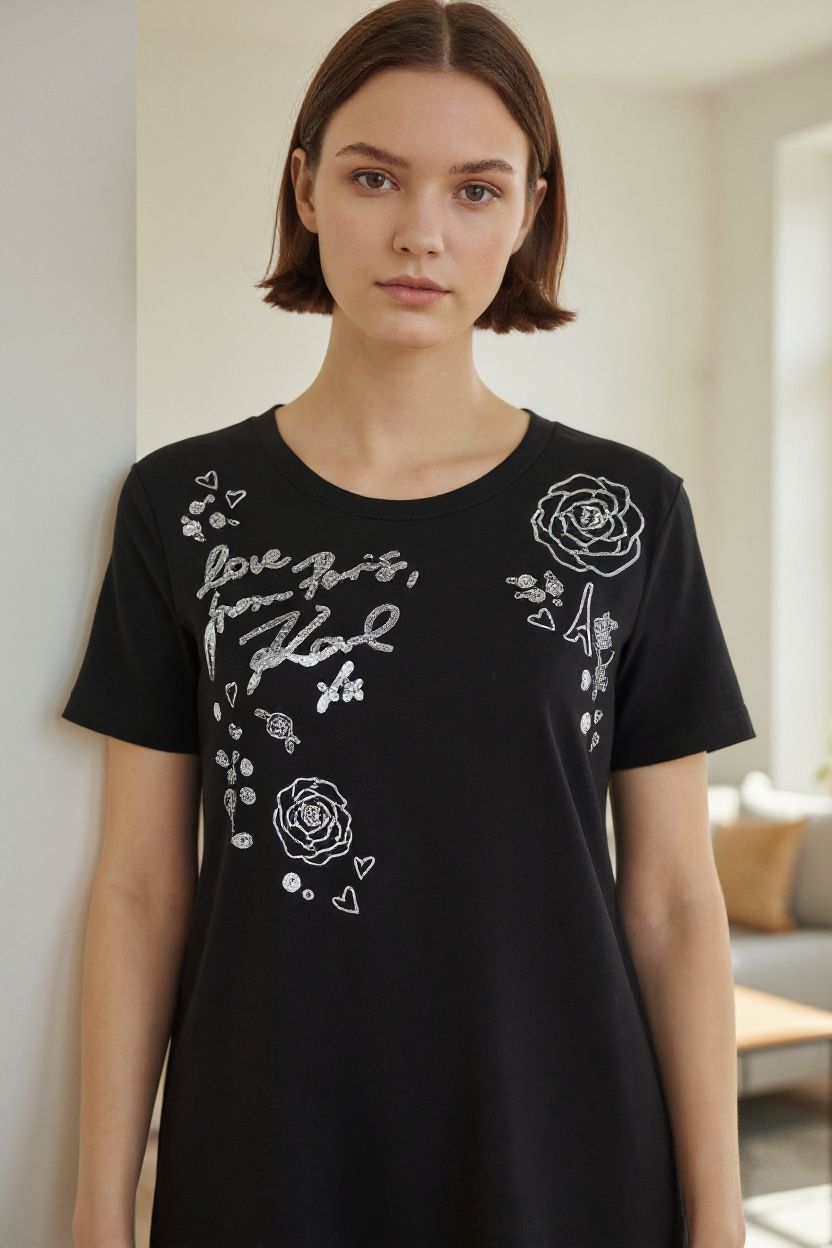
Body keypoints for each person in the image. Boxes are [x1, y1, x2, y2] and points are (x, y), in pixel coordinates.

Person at [63, 2, 754, 1246]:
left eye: (475, 190)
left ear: (529, 211)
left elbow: (671, 902)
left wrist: (717, 1221)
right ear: (306, 189)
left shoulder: (627, 512)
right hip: (269, 1152)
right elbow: (139, 888)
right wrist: (97, 1211)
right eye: (374, 176)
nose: (420, 233)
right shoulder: (184, 507)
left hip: (565, 1156)